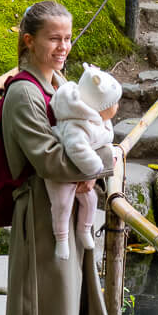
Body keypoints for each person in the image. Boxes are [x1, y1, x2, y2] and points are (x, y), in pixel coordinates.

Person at [2, 1, 114, 315]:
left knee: (63, 304)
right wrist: (106, 160)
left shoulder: (58, 84)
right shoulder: (23, 94)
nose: (63, 47)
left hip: (62, 210)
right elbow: (50, 159)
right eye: (54, 38)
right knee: (47, 308)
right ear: (29, 41)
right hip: (40, 215)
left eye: (68, 38)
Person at [47, 64, 122, 260]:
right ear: (101, 106)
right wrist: (95, 169)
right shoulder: (77, 125)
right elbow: (77, 149)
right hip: (61, 176)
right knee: (61, 205)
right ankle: (61, 240)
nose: (118, 107)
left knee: (91, 200)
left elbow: (102, 141)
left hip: (79, 172)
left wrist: (111, 153)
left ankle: (84, 230)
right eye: (115, 103)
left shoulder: (98, 118)